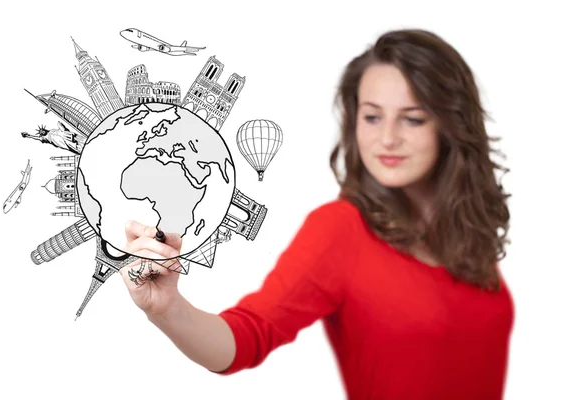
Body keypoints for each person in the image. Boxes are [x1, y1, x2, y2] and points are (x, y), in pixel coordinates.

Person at [118, 28, 515, 399]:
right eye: (372, 116)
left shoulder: (466, 230)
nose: (388, 137)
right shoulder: (341, 229)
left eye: (412, 118)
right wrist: (169, 310)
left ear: (451, 125)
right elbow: (249, 335)